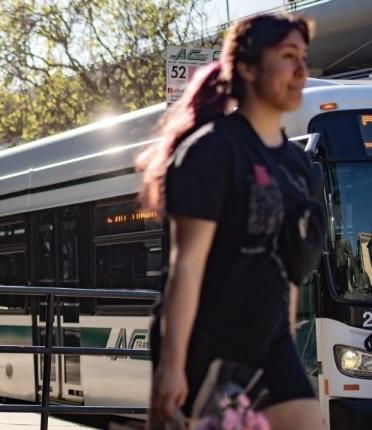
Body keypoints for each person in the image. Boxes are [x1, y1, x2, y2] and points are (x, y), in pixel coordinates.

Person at [137, 13, 324, 430]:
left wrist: (288, 345)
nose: (300, 71)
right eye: (287, 56)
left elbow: (291, 268)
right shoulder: (211, 151)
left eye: (304, 58)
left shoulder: (298, 166)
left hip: (272, 345)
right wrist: (171, 366)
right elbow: (185, 267)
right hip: (210, 347)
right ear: (247, 67)